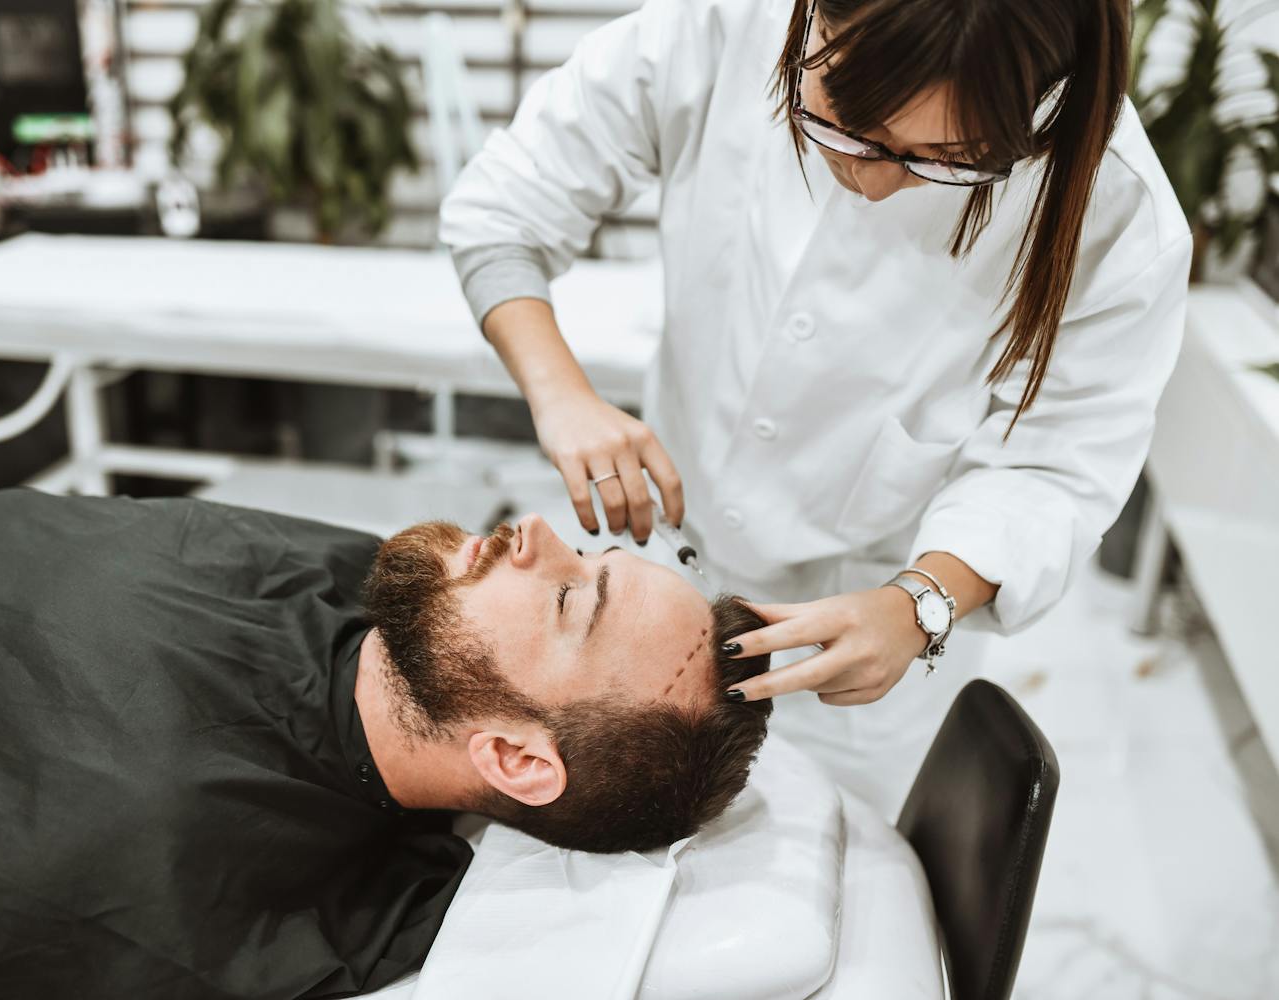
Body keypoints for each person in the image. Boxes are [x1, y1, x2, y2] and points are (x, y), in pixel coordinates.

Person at [440, 0, 1189, 813]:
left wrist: (917, 606)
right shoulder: (724, 24)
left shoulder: (1118, 210)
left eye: (943, 160)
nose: (870, 179)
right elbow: (504, 208)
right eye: (840, 124)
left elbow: (1054, 466)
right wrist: (562, 396)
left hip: (869, 632)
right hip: (671, 554)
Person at [0, 460, 771, 999]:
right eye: (587, 555)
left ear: (513, 756)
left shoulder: (241, 882)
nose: (538, 533)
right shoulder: (386, 588)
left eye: (567, 600)